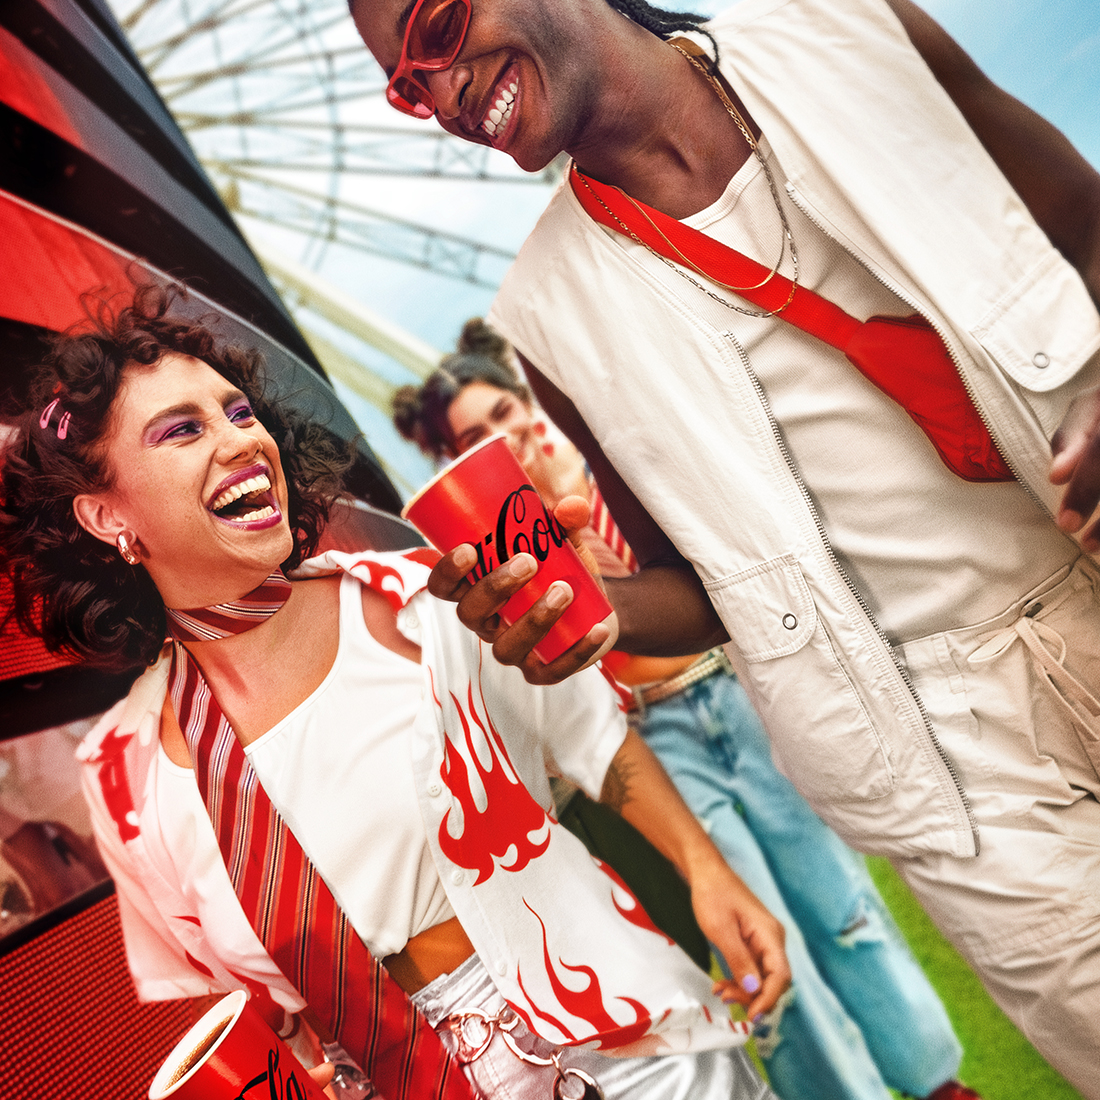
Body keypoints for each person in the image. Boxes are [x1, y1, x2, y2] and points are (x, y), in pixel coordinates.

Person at [350, 0, 1100, 1093]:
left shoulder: (844, 26)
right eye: (404, 84)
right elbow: (699, 588)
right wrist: (594, 616)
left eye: (435, 25)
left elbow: (1079, 219)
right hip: (947, 743)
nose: (438, 89)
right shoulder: (546, 311)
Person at [0, 286, 787, 1100]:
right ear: (105, 516)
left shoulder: (424, 595)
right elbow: (244, 1016)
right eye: (183, 429)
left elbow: (592, 738)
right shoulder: (124, 777)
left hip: (621, 1033)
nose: (242, 441)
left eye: (241, 413)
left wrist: (707, 872)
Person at [394, 318, 980, 1100]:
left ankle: (936, 1081)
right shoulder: (498, 561)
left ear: (524, 407)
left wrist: (614, 573)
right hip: (657, 731)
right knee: (760, 937)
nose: (500, 433)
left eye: (501, 413)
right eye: (472, 434)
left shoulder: (606, 477)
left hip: (729, 695)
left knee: (843, 906)